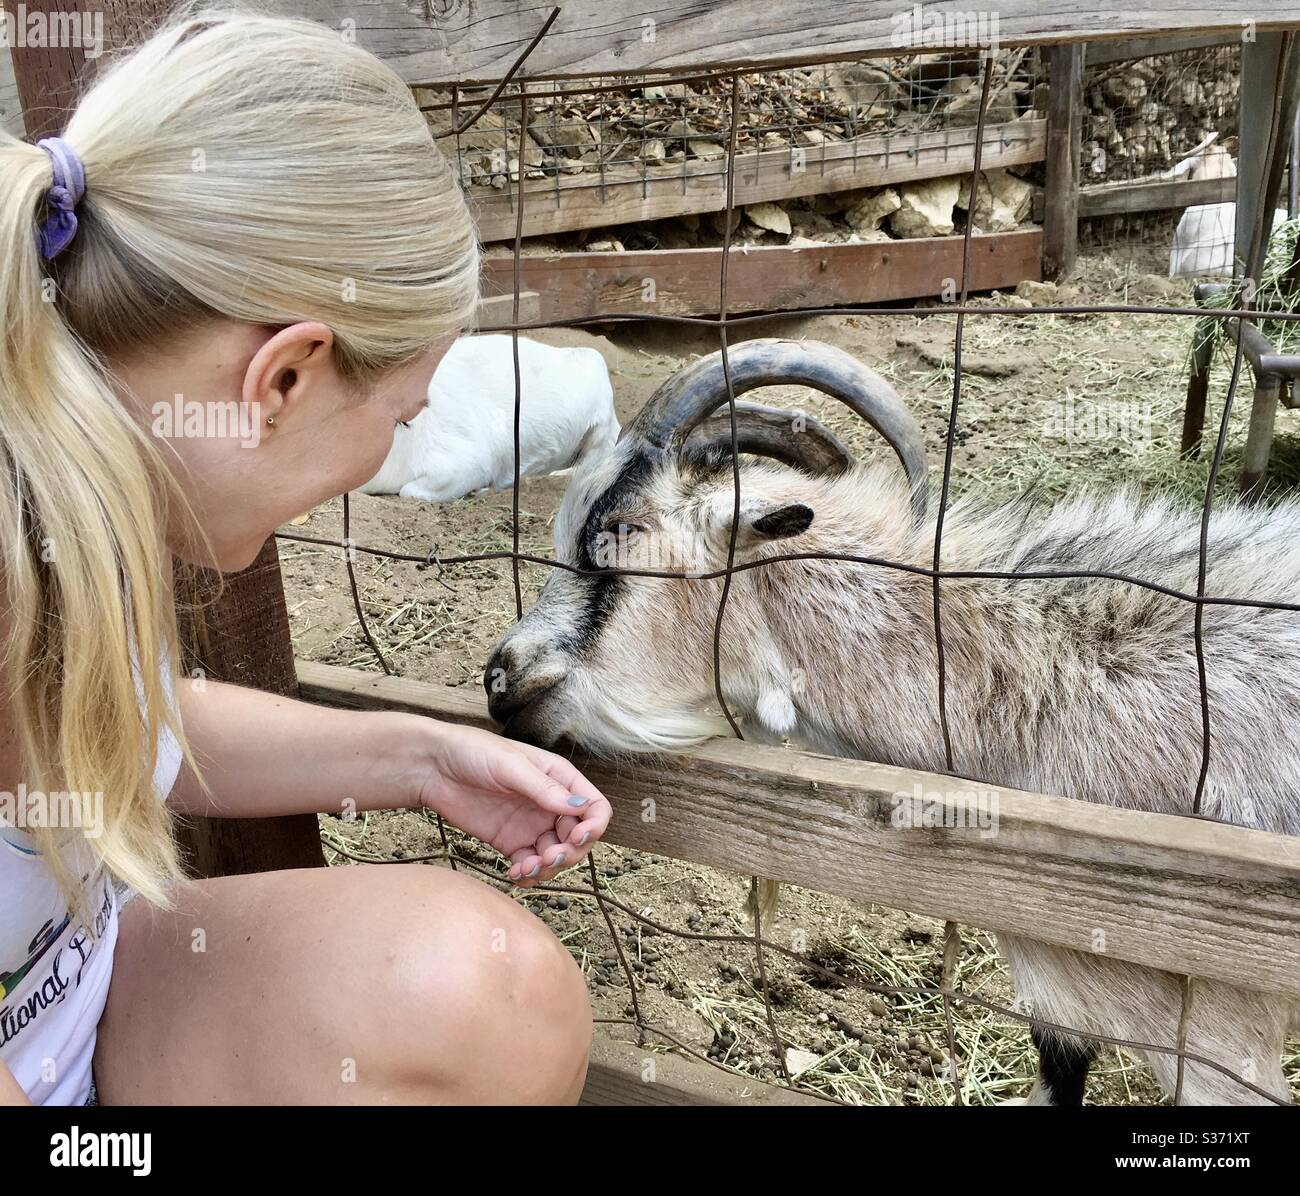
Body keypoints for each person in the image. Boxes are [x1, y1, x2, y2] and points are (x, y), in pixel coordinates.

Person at [0, 8, 609, 1106]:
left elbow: (120, 723)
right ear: (281, 378)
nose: (390, 453)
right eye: (400, 414)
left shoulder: (71, 509)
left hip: (76, 1007)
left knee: (496, 991)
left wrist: (419, 759)